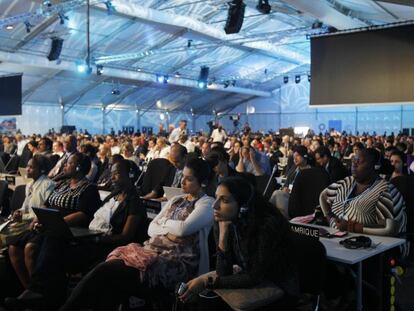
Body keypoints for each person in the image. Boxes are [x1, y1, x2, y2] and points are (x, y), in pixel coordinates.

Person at [60, 158, 215, 311]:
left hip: (176, 261)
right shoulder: (176, 199)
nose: (182, 182)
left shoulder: (207, 203)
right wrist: (170, 231)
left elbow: (183, 229)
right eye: (183, 177)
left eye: (189, 179)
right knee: (109, 282)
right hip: (151, 251)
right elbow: (151, 228)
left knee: (105, 271)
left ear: (203, 182)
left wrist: (164, 224)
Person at [5, 159, 147, 310]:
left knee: (53, 247)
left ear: (130, 175)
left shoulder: (134, 202)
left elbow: (125, 236)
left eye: (117, 174)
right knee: (53, 238)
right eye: (111, 174)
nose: (112, 177)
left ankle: (41, 295)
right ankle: (41, 295)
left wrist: (97, 238)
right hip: (90, 239)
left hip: (105, 246)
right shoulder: (112, 196)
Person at [180, 176, 298, 304]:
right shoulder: (224, 220)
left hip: (279, 288)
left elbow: (255, 276)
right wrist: (223, 235)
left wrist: (206, 281)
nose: (215, 205)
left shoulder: (267, 226)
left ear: (243, 206)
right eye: (216, 197)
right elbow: (223, 273)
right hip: (252, 283)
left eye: (224, 200)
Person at [7, 152, 101, 290]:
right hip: (47, 225)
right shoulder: (62, 184)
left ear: (78, 167)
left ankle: (38, 290)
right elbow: (46, 203)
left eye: (69, 163)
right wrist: (40, 218)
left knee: (30, 248)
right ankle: (28, 289)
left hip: (68, 230)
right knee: (13, 247)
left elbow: (82, 214)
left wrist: (55, 222)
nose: (65, 165)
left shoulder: (89, 188)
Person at [319, 148, 406, 237]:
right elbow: (323, 195)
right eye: (353, 161)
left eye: (359, 162)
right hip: (339, 240)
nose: (354, 164)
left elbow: (389, 229)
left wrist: (352, 227)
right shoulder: (347, 182)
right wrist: (329, 217)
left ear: (374, 166)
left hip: (375, 245)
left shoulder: (386, 190)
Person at [1, 155, 55, 249]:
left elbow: (42, 213)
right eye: (27, 166)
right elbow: (25, 207)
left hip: (35, 225)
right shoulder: (30, 184)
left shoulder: (48, 185)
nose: (27, 169)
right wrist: (19, 212)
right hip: (25, 221)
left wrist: (23, 216)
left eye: (31, 167)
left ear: (41, 170)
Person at [269, 145, 311, 218]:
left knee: (277, 194)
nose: (295, 159)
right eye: (294, 156)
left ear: (305, 156)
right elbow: (286, 183)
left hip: (298, 200)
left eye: (297, 156)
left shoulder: (310, 170)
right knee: (277, 194)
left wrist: (292, 191)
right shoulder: (294, 168)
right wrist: (285, 188)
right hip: (289, 195)